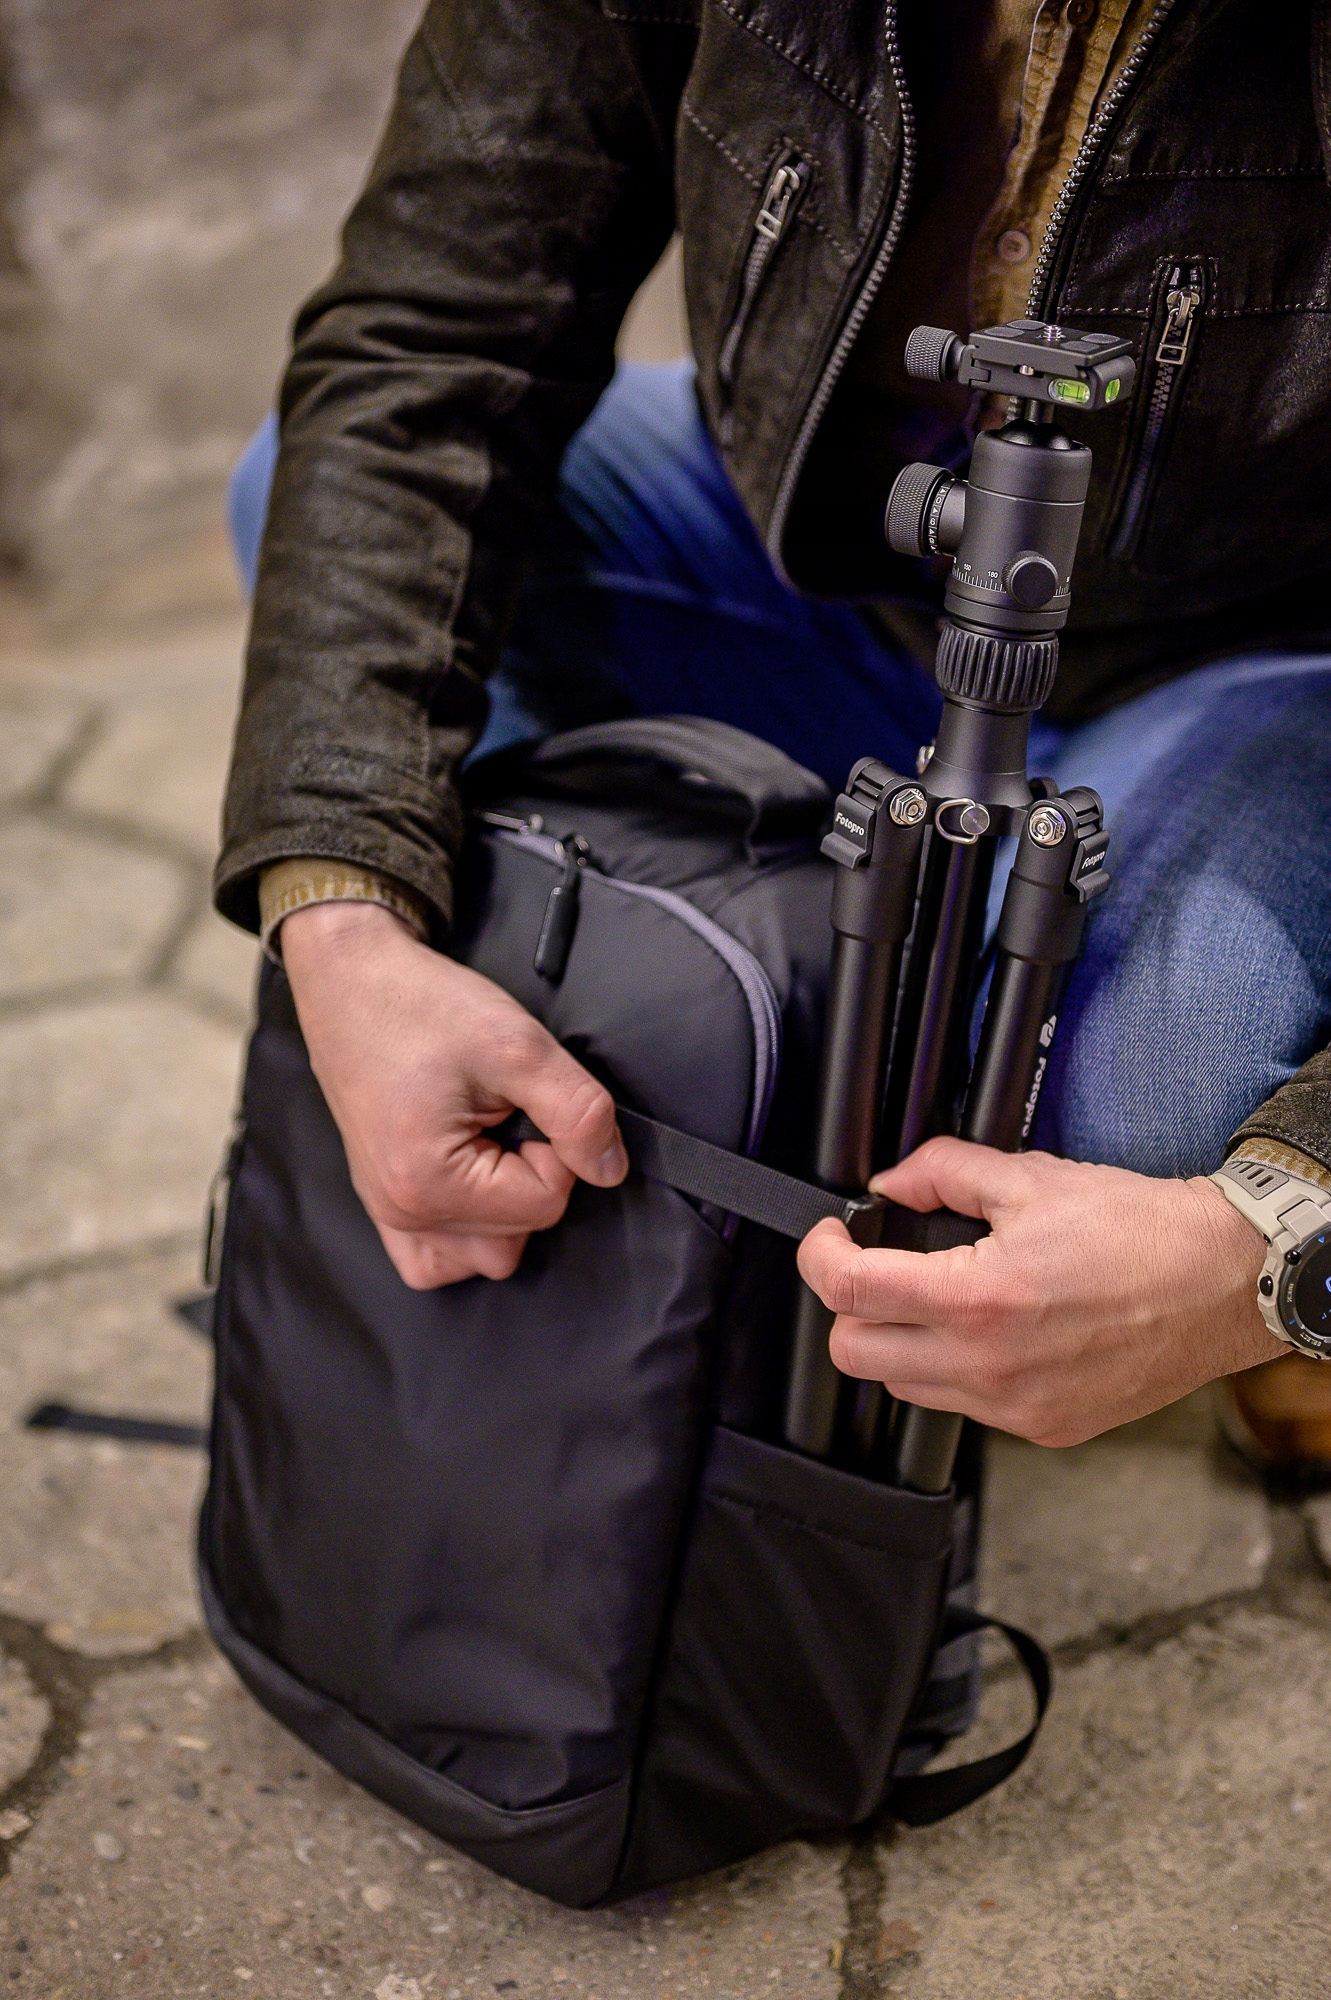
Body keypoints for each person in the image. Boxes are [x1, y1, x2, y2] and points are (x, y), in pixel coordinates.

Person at [216, 0, 1331, 1463]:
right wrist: (342, 926)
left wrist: (1277, 1245)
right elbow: (431, 336)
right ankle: (766, 1051)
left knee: (1148, 1108)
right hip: (831, 577)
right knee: (304, 509)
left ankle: (1193, 1254)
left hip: (1255, 662)